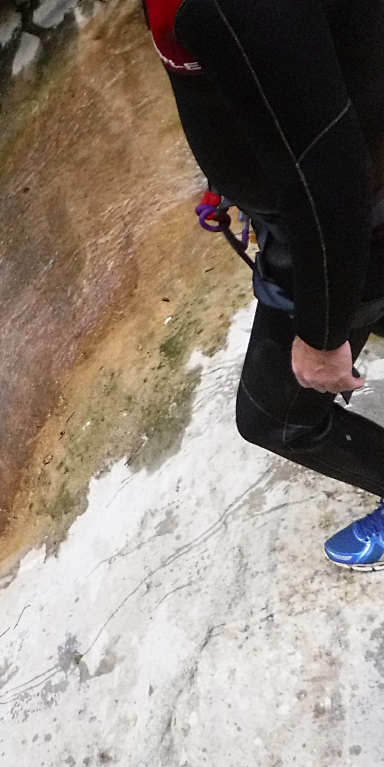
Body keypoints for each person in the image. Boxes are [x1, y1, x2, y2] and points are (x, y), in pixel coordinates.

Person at [144, 0, 384, 567]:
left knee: (276, 417)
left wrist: (321, 337)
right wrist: (234, 176)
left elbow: (333, 174)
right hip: (342, 194)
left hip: (354, 225)